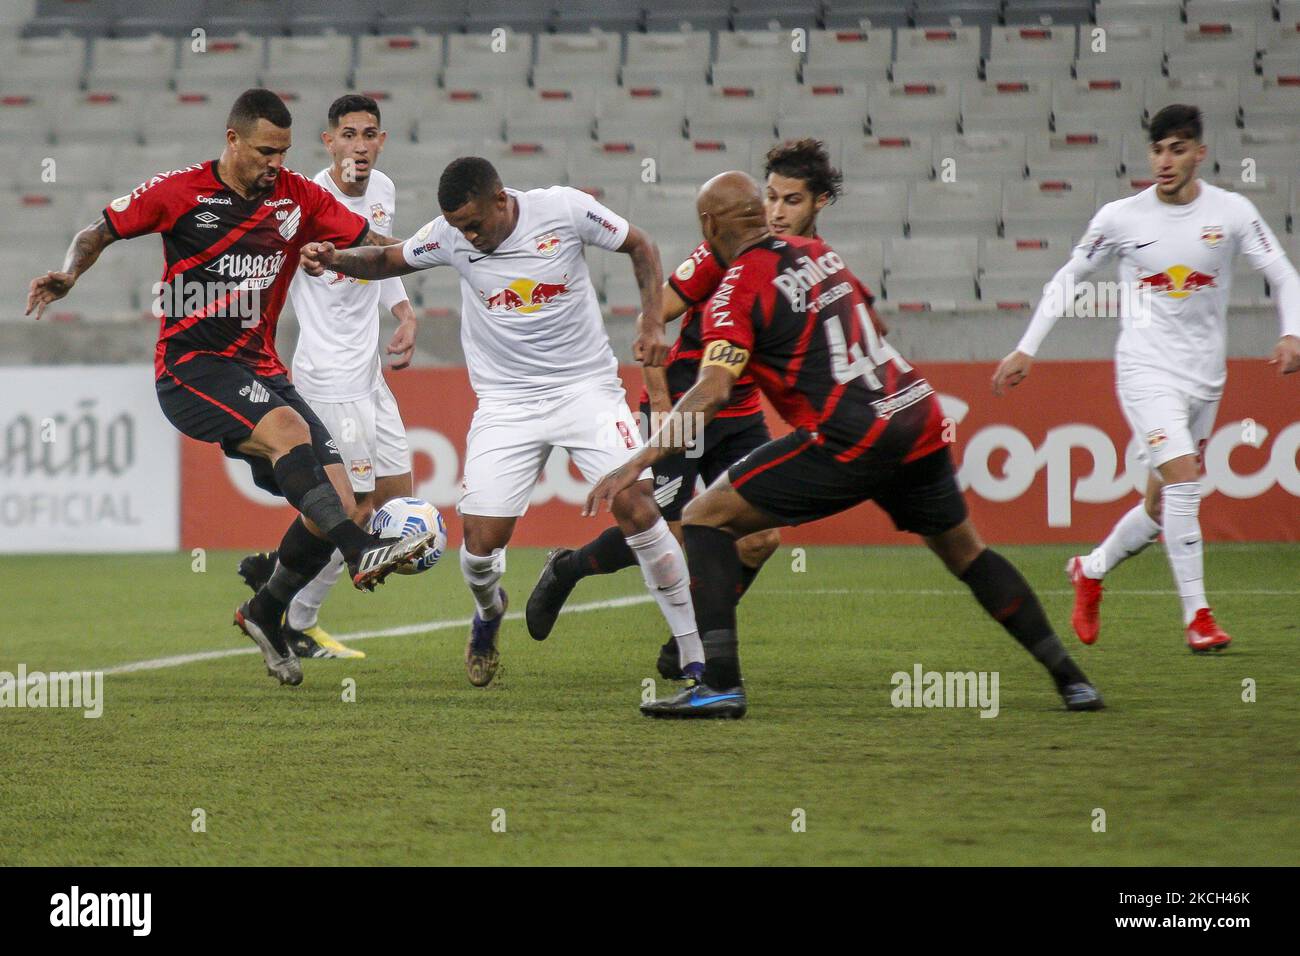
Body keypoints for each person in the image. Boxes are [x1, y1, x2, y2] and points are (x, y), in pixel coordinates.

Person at [587, 171, 1104, 718]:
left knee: (703, 517)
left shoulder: (734, 291)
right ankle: (1071, 681)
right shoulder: (819, 254)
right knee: (966, 552)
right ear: (760, 214)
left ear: (708, 225)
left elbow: (713, 391)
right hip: (915, 415)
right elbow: (871, 324)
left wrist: (640, 458)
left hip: (852, 437)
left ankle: (719, 684)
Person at [24, 88, 432, 687]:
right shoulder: (180, 191)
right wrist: (68, 274)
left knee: (341, 501)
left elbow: (370, 244)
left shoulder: (297, 196)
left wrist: (434, 253)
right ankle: (356, 551)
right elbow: (100, 230)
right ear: (233, 138)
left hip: (259, 367)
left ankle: (266, 610)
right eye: (265, 151)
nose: (275, 164)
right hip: (191, 368)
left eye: (284, 153)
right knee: (298, 443)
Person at [299, 157, 704, 688]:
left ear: (500, 199)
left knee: (636, 505)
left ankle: (695, 653)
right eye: (459, 227)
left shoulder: (563, 209)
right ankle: (489, 614)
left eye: (475, 224)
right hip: (507, 404)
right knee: (480, 547)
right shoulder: (450, 235)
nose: (468, 236)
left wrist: (652, 319)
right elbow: (387, 260)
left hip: (587, 391)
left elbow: (641, 244)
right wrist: (337, 259)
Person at [526, 139, 843, 682]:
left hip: (739, 411)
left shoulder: (811, 262)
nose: (776, 212)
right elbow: (653, 325)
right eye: (770, 198)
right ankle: (569, 567)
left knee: (762, 536)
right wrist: (662, 403)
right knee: (669, 531)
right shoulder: (722, 254)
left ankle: (692, 638)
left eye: (791, 201)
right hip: (684, 403)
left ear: (820, 205)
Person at [992, 104, 1300, 652]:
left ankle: (1090, 568)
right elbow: (1069, 278)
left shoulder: (1231, 213)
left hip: (1205, 378)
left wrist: (1292, 332)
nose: (1164, 160)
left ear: (1199, 154)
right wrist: (1026, 348)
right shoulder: (1120, 218)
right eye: (1157, 149)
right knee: (1185, 481)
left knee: (1160, 509)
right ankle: (1198, 617)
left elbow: (1281, 274)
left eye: (1177, 149)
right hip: (1144, 369)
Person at [238, 93, 420, 660]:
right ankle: (292, 616)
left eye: (369, 134)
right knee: (352, 509)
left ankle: (279, 582)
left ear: (381, 141)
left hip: (369, 375)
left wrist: (405, 311)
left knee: (395, 495)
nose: (359, 146)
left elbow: (381, 256)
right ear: (329, 141)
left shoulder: (384, 190)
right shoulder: (303, 200)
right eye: (348, 135)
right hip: (328, 378)